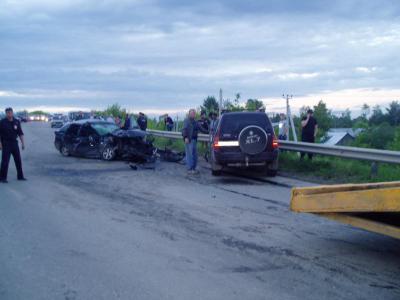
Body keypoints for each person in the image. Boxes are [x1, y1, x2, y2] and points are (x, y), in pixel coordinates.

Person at [0, 107, 26, 183]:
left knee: (18, 160)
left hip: (14, 143)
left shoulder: (16, 121)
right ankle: (2, 178)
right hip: (6, 143)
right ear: (6, 113)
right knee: (5, 161)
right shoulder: (2, 122)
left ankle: (20, 176)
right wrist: (0, 144)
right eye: (8, 113)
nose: (9, 114)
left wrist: (23, 143)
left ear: (12, 112)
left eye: (10, 112)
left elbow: (20, 133)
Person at [182, 109, 199, 175]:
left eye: (194, 113)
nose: (193, 114)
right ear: (189, 114)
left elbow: (201, 128)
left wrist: (210, 131)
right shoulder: (187, 120)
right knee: (189, 155)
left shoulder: (195, 121)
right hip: (189, 139)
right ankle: (190, 169)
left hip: (194, 140)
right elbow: (184, 129)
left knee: (194, 155)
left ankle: (193, 168)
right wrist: (185, 137)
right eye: (192, 113)